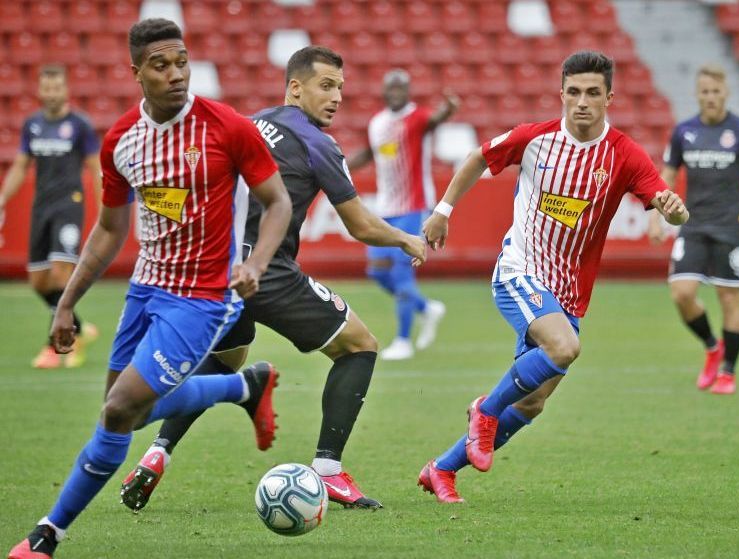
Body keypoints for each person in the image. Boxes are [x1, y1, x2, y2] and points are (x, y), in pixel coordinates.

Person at [8, 18, 293, 559]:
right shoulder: (122, 141)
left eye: (181, 61)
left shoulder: (226, 127)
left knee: (119, 411)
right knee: (126, 413)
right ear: (136, 71)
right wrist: (67, 301)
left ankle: (47, 536)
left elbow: (277, 201)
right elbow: (110, 229)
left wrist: (255, 262)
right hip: (146, 289)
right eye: (160, 65)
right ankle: (244, 388)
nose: (176, 74)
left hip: (204, 297)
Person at [118, 46, 428, 513]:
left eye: (340, 87)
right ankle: (329, 470)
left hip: (217, 272)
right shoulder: (318, 144)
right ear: (296, 87)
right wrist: (407, 240)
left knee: (226, 359)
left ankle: (156, 454)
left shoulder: (252, 120)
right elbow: (360, 226)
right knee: (359, 346)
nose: (337, 97)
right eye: (326, 85)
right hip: (268, 273)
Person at [416, 51, 689, 503]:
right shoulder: (535, 139)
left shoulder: (623, 154)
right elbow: (478, 158)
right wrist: (443, 211)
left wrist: (672, 209)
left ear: (609, 98)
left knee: (532, 402)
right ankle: (483, 410)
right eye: (574, 92)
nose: (582, 102)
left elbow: (662, 196)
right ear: (561, 93)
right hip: (518, 271)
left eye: (593, 93)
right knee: (565, 348)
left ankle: (441, 469)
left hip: (568, 294)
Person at [648, 64, 739, 395]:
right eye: (704, 91)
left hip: (730, 227)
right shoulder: (684, 132)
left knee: (729, 299)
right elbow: (667, 173)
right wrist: (655, 215)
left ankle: (728, 372)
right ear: (697, 94)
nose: (710, 97)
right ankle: (711, 346)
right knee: (682, 293)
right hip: (692, 225)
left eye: (715, 91)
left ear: (725, 93)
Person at [347, 70, 460, 360]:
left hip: (414, 206)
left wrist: (447, 109)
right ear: (384, 91)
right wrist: (340, 167)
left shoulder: (418, 118)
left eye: (401, 87)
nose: (396, 92)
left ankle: (403, 340)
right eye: (391, 87)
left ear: (408, 91)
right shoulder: (378, 123)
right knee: (378, 270)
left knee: (401, 270)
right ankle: (426, 308)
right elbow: (370, 154)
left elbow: (436, 119)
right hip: (385, 209)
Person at [0, 64, 102, 369]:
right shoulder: (33, 125)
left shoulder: (80, 125)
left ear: (66, 89)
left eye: (57, 87)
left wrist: (104, 208)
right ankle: (81, 327)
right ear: (40, 91)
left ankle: (57, 345)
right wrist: (3, 198)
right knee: (39, 282)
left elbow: (95, 167)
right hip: (40, 207)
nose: (52, 93)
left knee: (61, 274)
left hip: (69, 205)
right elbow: (20, 166)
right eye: (47, 88)